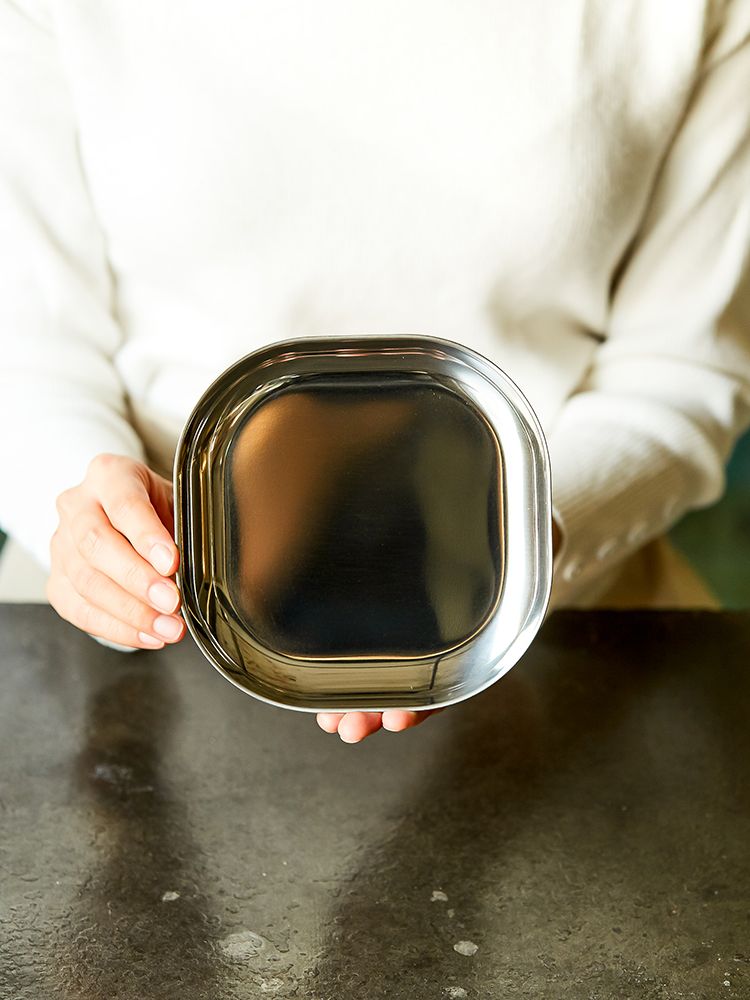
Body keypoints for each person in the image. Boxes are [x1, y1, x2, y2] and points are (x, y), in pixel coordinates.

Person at [1, 1, 749, 744]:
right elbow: (30, 345)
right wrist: (92, 524)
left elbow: (683, 365)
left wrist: (528, 549)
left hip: (564, 616)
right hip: (143, 612)